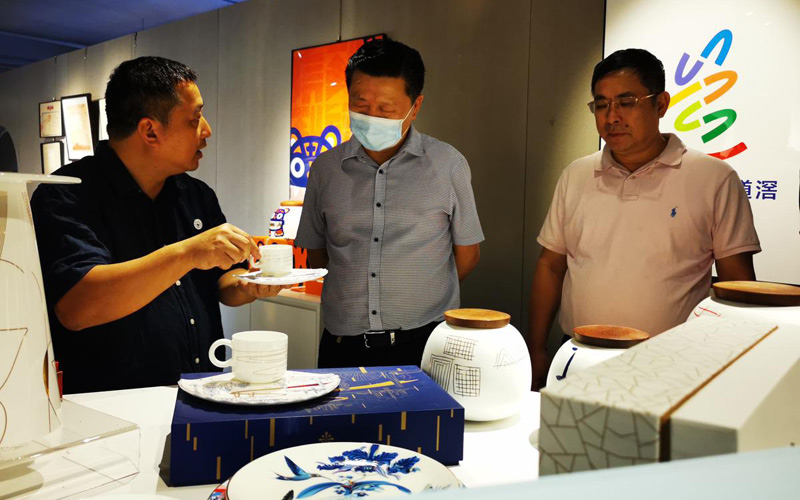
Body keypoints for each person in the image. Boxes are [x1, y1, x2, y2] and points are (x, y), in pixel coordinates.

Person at [31, 56, 287, 393]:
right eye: (194, 119)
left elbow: (221, 281)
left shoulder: (195, 194)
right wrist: (188, 253)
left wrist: (248, 285)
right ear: (150, 131)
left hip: (201, 393)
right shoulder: (67, 193)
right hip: (110, 405)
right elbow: (77, 307)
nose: (207, 130)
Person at [528, 48, 760, 389]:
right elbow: (551, 265)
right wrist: (536, 349)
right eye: (601, 104)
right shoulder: (576, 175)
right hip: (579, 354)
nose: (612, 116)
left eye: (626, 102)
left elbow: (737, 285)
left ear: (661, 104)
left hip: (674, 362)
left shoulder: (714, 178)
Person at [295, 38, 484, 368]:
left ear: (416, 106)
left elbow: (467, 255)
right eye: (361, 104)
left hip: (425, 343)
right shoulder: (326, 169)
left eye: (386, 109)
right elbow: (317, 252)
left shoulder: (447, 165)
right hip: (343, 346)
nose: (371, 116)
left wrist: (418, 290)